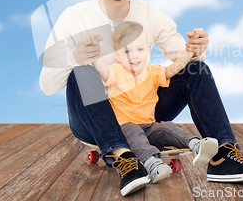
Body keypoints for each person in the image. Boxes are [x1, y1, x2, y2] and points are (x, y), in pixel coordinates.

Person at [39, 0, 243, 196]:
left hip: (143, 113)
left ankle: (223, 156)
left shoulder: (149, 14)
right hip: (93, 120)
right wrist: (74, 56)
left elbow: (185, 66)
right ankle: (125, 159)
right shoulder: (74, 17)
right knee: (82, 71)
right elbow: (48, 85)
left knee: (196, 69)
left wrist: (195, 49)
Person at [82, 22, 219, 184]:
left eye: (139, 49)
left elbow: (175, 68)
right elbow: (101, 69)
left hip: (149, 127)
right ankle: (151, 163)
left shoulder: (152, 72)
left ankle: (196, 144)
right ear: (117, 55)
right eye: (126, 51)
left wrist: (189, 50)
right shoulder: (115, 72)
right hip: (124, 130)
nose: (134, 56)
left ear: (148, 49)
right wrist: (95, 53)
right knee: (133, 130)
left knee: (167, 126)